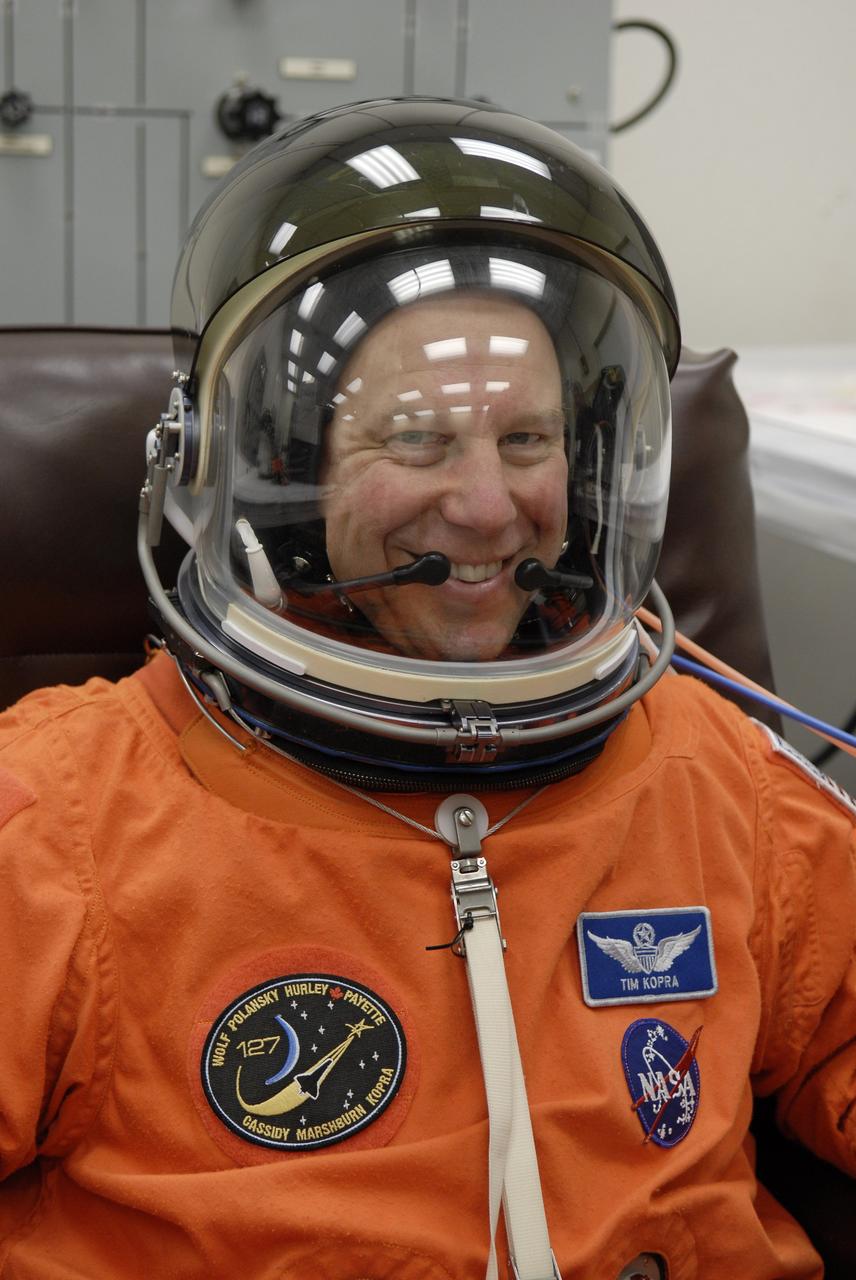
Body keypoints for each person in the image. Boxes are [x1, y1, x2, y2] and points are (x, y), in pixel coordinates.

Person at [0, 96, 854, 1280]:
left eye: (527, 439)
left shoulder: (718, 777)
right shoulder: (58, 825)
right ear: (273, 467)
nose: (488, 506)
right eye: (414, 437)